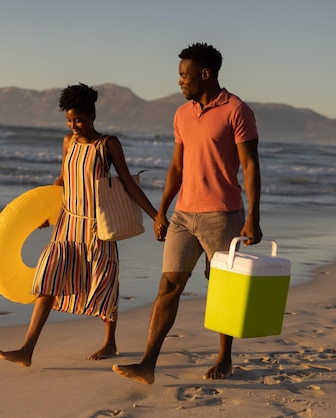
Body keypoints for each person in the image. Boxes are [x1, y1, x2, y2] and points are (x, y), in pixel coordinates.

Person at [112, 42, 263, 384]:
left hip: (222, 215)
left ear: (205, 74)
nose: (179, 81)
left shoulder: (237, 110)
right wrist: (161, 210)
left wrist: (253, 215)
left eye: (184, 74)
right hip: (183, 215)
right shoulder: (182, 114)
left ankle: (224, 357)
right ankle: (147, 364)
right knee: (168, 285)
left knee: (222, 288)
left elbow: (250, 166)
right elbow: (176, 167)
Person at [0, 83, 158, 367]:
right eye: (69, 121)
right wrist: (43, 212)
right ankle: (27, 349)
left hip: (97, 229)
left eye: (79, 120)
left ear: (92, 115)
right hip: (67, 225)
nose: (74, 126)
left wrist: (156, 215)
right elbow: (61, 181)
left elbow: (128, 184)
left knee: (104, 283)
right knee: (47, 281)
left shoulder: (107, 144)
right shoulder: (68, 142)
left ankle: (110, 342)